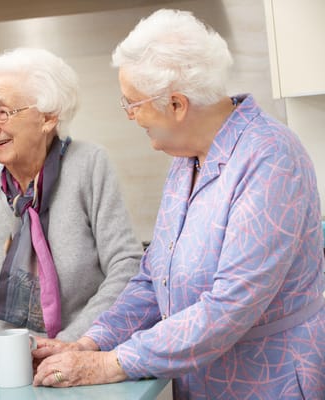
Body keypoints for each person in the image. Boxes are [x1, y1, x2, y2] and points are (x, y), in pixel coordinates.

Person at [32, 9, 325, 399]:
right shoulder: (186, 158)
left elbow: (230, 306)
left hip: (269, 381)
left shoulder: (270, 158)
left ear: (176, 105)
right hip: (201, 382)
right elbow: (154, 278)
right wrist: (94, 341)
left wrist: (112, 363)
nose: (130, 115)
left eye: (132, 103)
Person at [0, 47, 143, 372]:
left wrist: (72, 344)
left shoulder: (89, 166)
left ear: (48, 117)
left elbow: (125, 269)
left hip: (80, 362)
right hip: (2, 370)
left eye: (2, 113)